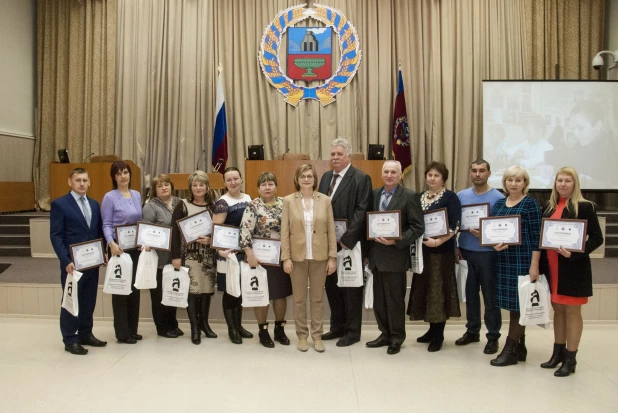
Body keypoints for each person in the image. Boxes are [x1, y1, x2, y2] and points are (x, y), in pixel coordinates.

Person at [539, 167, 603, 377]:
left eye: (568, 181)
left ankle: (570, 358)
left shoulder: (585, 207)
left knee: (572, 312)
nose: (563, 184)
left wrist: (574, 253)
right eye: (560, 180)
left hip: (574, 267)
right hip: (552, 266)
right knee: (558, 309)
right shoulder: (549, 207)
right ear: (555, 183)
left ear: (575, 184)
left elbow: (596, 238)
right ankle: (557, 353)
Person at [317, 137, 372, 347]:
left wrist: (346, 240)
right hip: (328, 244)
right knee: (332, 287)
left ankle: (352, 331)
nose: (335, 158)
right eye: (332, 154)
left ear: (348, 156)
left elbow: (362, 210)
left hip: (350, 244)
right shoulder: (325, 178)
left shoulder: (360, 178)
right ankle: (337, 326)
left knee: (350, 289)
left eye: (340, 154)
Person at [366, 161, 424, 355]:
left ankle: (397, 337)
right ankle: (384, 333)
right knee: (380, 301)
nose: (389, 175)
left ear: (400, 175)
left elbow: (417, 227)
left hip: (395, 257)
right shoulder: (374, 194)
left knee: (395, 301)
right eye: (386, 172)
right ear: (381, 174)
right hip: (376, 258)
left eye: (393, 172)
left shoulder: (409, 196)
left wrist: (397, 241)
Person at [489, 165, 542, 367]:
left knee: (519, 306)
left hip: (523, 261)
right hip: (503, 261)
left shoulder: (530, 204)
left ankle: (510, 349)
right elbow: (492, 232)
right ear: (505, 183)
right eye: (510, 180)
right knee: (512, 306)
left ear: (525, 183)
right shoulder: (500, 204)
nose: (513, 183)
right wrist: (494, 243)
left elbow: (537, 237)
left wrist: (534, 265)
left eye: (518, 180)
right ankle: (521, 347)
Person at [50, 167, 107, 355]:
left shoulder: (94, 204)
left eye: (84, 180)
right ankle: (70, 339)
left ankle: (85, 334)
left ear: (89, 182)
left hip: (92, 263)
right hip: (72, 265)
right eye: (78, 180)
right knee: (71, 301)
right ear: (70, 182)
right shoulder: (60, 204)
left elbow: (98, 232)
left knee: (89, 300)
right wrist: (65, 260)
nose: (82, 184)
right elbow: (56, 236)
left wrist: (103, 252)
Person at [281, 164, 337, 352]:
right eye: (303, 176)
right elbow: (284, 232)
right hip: (296, 258)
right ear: (297, 179)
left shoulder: (325, 200)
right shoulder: (288, 201)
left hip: (320, 257)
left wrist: (332, 257)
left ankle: (317, 336)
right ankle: (302, 336)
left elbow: (331, 231)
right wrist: (286, 258)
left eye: (310, 176)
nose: (306, 179)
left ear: (315, 179)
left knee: (317, 299)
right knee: (298, 299)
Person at [408, 161, 462, 352]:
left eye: (436, 175)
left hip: (441, 252)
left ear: (443, 178)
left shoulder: (450, 197)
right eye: (429, 175)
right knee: (426, 292)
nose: (432, 178)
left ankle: (438, 335)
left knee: (438, 293)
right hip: (423, 252)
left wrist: (438, 242)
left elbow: (455, 225)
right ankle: (431, 330)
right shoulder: (419, 197)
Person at [454, 159, 504, 354]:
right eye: (474, 170)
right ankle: (472, 331)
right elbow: (455, 224)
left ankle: (493, 336)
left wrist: (483, 235)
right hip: (466, 251)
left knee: (491, 297)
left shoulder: (498, 198)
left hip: (489, 254)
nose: (477, 174)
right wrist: (456, 246)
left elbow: (501, 229)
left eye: (482, 171)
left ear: (489, 173)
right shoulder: (461, 196)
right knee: (471, 295)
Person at [239, 172, 293, 348]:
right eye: (263, 185)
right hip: (259, 259)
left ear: (276, 187)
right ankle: (262, 331)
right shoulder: (253, 206)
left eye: (271, 184)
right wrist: (250, 255)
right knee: (261, 296)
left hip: (280, 257)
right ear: (258, 188)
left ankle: (280, 329)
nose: (267, 187)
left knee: (280, 295)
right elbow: (245, 231)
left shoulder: (285, 203)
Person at [171, 171, 218, 345]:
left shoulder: (213, 207)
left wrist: (211, 240)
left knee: (206, 291)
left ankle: (205, 324)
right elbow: (174, 233)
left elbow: (219, 231)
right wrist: (175, 256)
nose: (198, 188)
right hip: (189, 256)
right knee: (193, 292)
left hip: (208, 255)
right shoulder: (182, 205)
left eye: (201, 184)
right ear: (190, 187)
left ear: (207, 187)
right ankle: (195, 328)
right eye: (195, 185)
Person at [101, 161, 142, 344]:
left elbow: (140, 221)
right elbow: (107, 224)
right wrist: (111, 244)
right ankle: (122, 333)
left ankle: (133, 330)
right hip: (118, 249)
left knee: (134, 290)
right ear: (114, 177)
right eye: (119, 174)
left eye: (126, 172)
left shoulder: (136, 195)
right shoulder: (109, 197)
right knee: (120, 291)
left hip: (135, 248)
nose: (123, 176)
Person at [213, 167, 253, 344]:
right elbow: (216, 229)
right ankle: (231, 329)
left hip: (243, 253)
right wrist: (219, 250)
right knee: (230, 291)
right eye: (229, 180)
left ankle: (239, 325)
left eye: (236, 178)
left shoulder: (248, 198)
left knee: (240, 290)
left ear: (241, 179)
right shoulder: (222, 202)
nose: (233, 182)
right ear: (224, 183)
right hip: (228, 255)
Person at [142, 174, 184, 338]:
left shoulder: (179, 203)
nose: (164, 188)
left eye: (166, 184)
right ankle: (162, 327)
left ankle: (173, 324)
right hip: (159, 258)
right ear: (154, 190)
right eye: (160, 186)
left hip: (177, 255)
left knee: (173, 290)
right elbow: (146, 233)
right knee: (159, 295)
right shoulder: (150, 207)